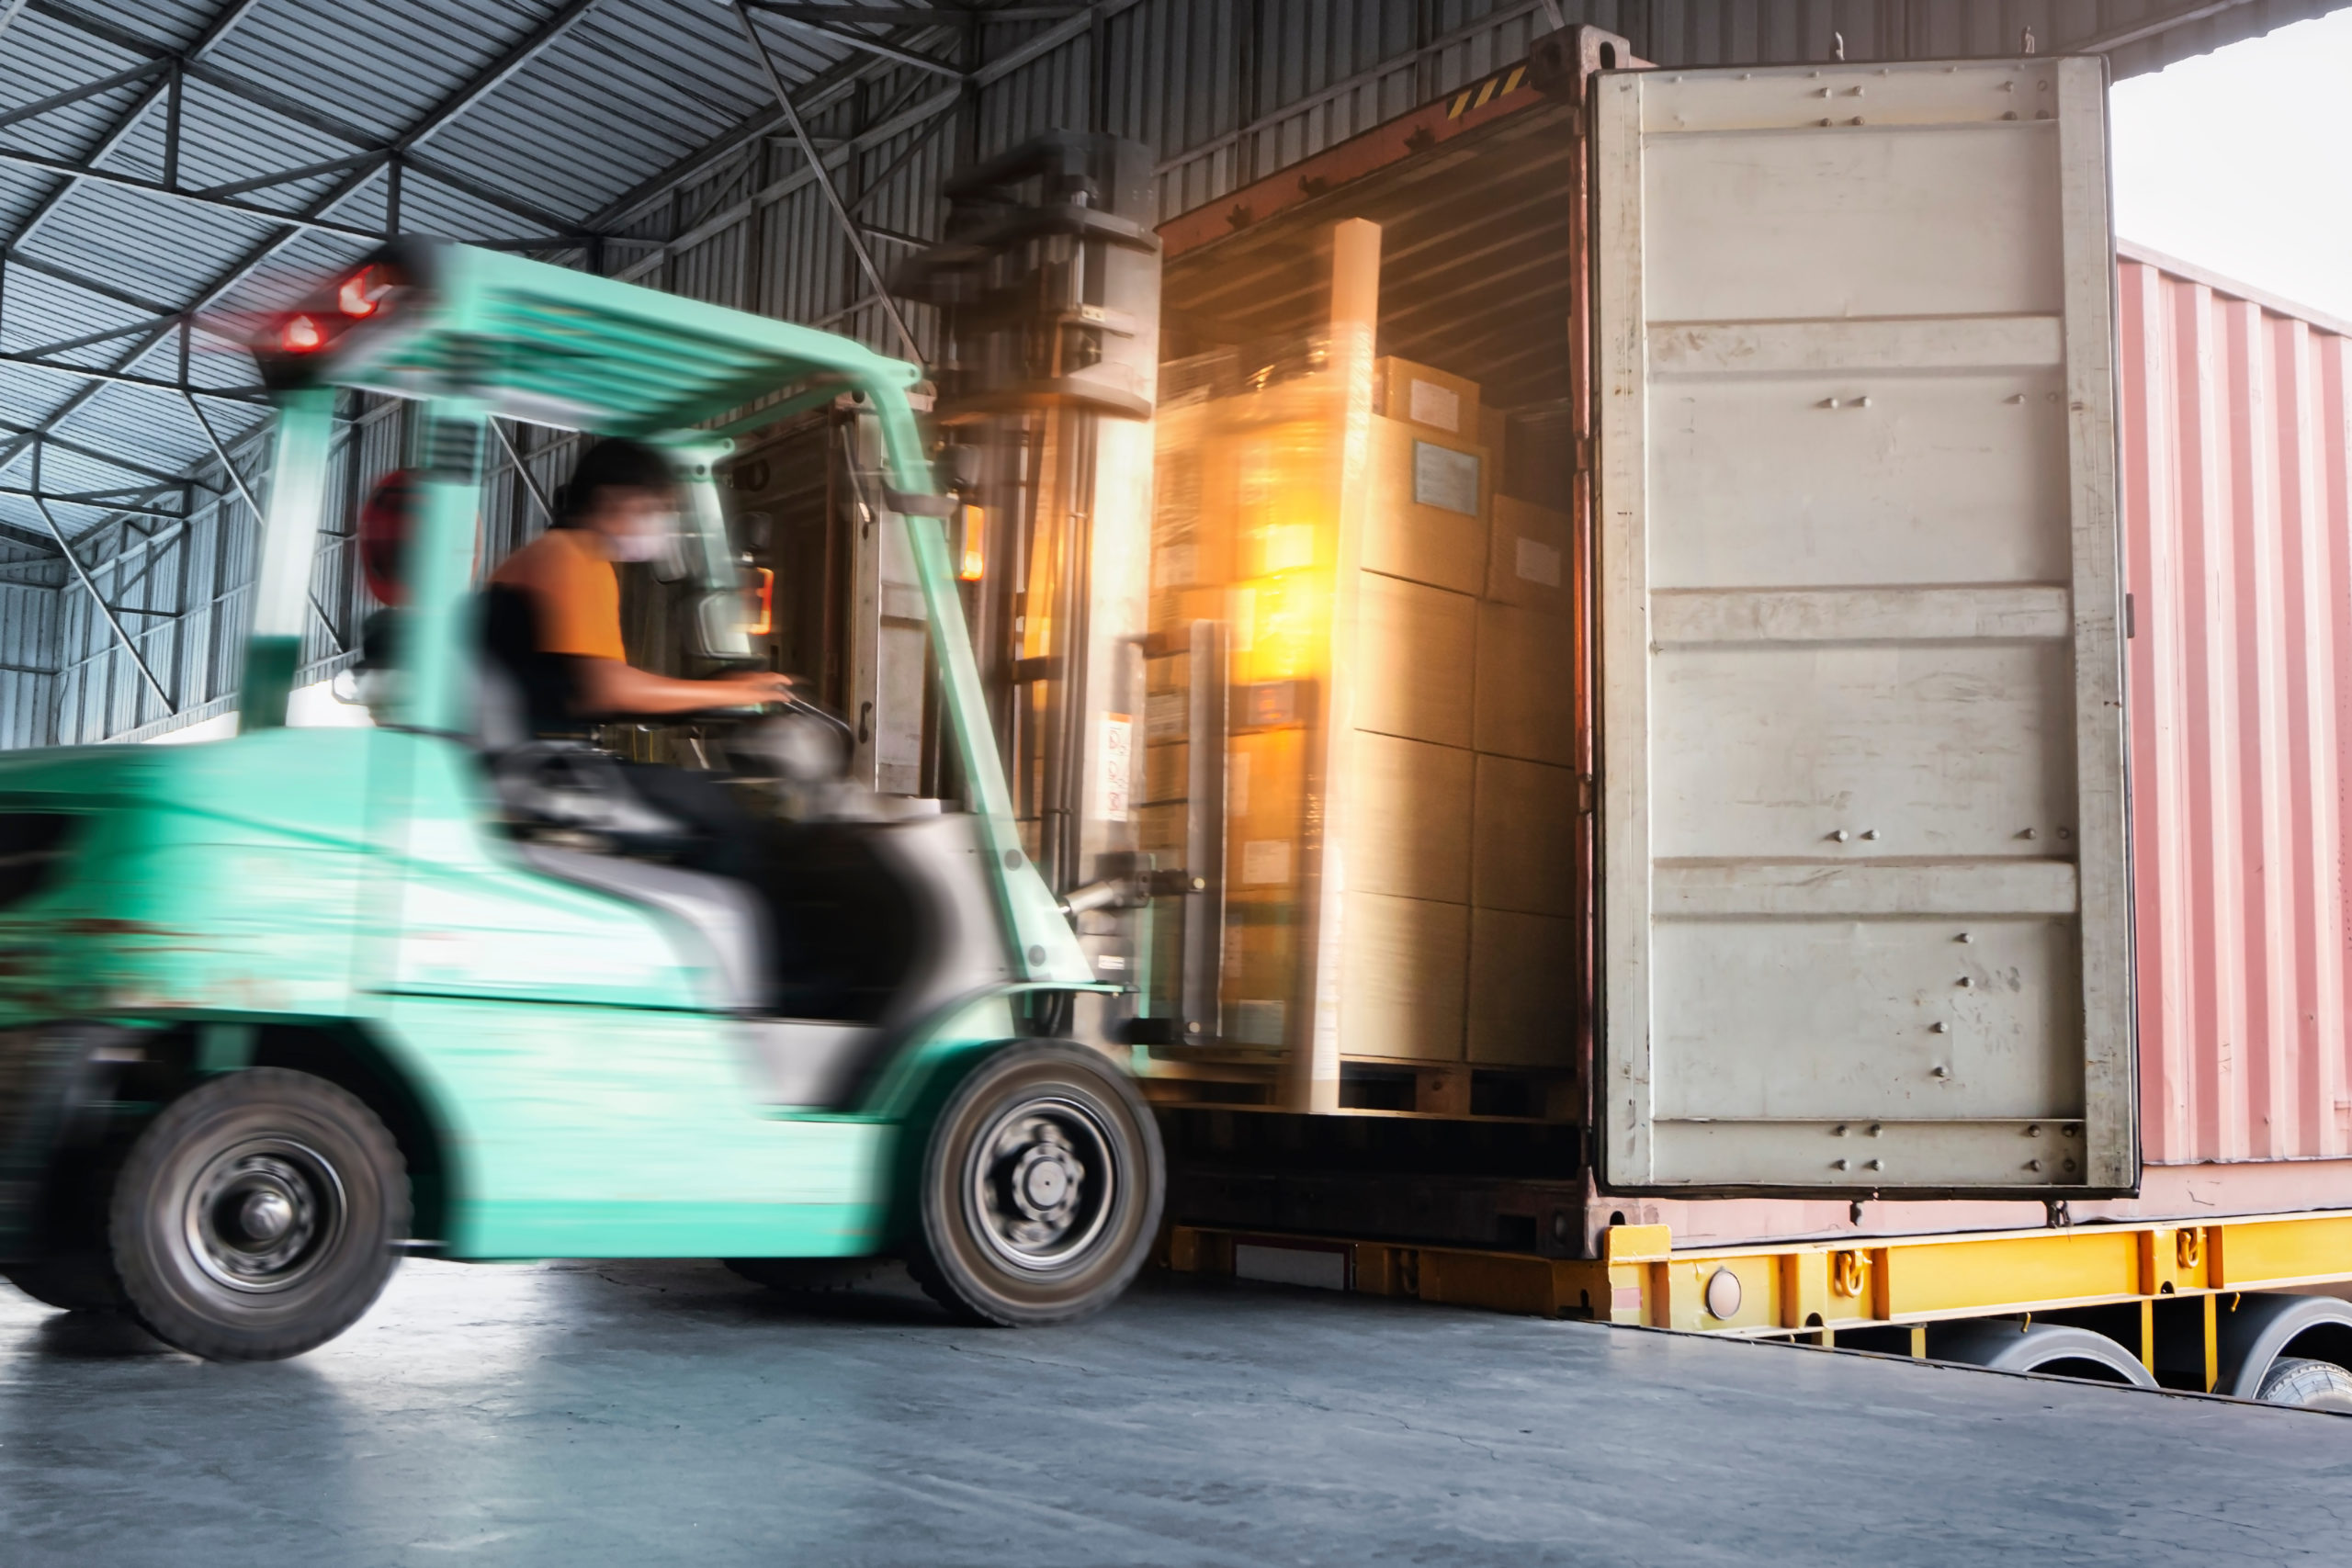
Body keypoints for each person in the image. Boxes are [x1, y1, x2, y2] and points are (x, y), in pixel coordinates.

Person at [486, 437, 792, 732]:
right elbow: (611, 690)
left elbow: (600, 692)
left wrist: (712, 693)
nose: (660, 523)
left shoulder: (555, 552)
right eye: (650, 509)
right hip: (524, 748)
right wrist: (732, 692)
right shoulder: (573, 558)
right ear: (610, 501)